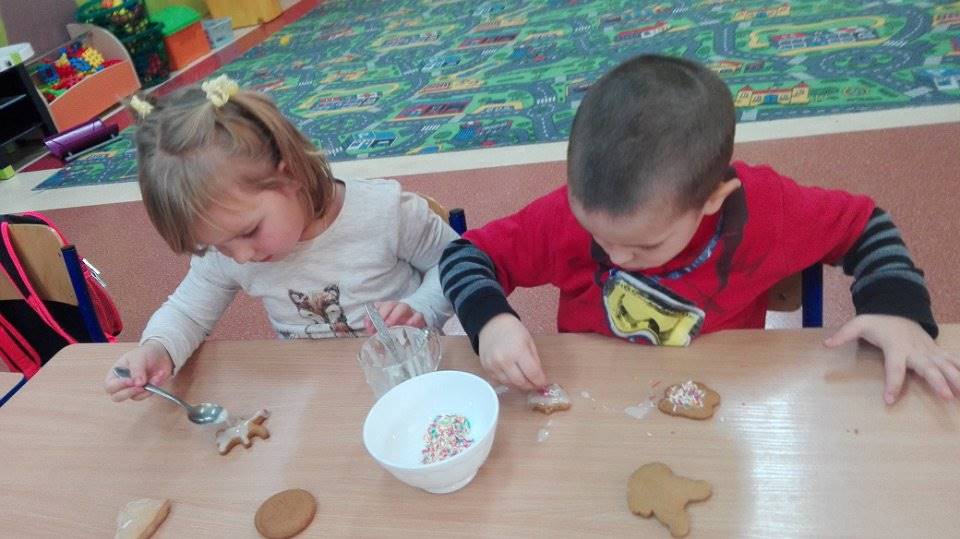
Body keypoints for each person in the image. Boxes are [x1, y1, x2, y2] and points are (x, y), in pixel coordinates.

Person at [439, 55, 958, 404]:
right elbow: (464, 255)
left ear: (712, 200)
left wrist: (897, 311)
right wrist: (491, 322)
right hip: (598, 401)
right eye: (597, 236)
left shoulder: (764, 208)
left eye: (644, 246)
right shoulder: (571, 214)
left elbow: (866, 226)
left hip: (726, 397)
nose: (614, 257)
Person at [105, 76, 457, 402]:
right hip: (320, 397)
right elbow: (187, 312)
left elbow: (457, 264)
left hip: (414, 381)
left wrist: (421, 307)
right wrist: (157, 349)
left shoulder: (383, 212)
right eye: (217, 245)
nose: (240, 256)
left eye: (248, 232)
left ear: (290, 175)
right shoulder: (230, 249)